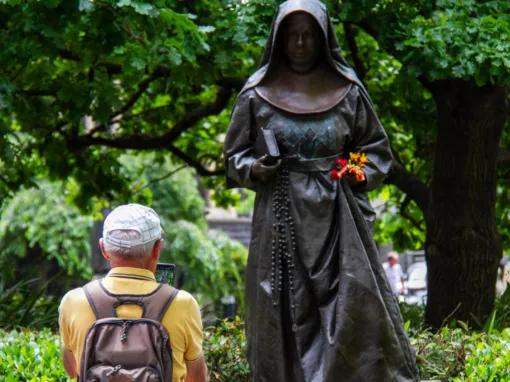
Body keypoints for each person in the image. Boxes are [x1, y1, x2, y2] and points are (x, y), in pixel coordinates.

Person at [223, 1, 419, 381]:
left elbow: (375, 151)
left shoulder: (349, 92)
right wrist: (254, 169)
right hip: (281, 213)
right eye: (292, 35)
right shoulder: (256, 94)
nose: (300, 42)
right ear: (279, 40)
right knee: (280, 302)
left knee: (351, 299)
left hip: (337, 213)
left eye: (308, 34)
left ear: (322, 39)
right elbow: (234, 156)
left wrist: (352, 171)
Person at [58, 203, 207, 382]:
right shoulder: (183, 304)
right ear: (157, 248)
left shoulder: (74, 301)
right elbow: (197, 376)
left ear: (103, 249)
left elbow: (73, 368)